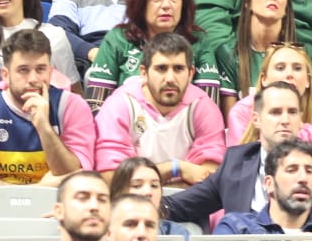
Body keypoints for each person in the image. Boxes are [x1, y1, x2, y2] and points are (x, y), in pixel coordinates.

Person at [0, 29, 95, 189]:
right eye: (23, 70)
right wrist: (36, 191)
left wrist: (44, 128)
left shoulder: (72, 106)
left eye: (40, 69)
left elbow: (78, 179)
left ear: (50, 72)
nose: (33, 79)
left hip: (56, 207)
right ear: (6, 75)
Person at [83, 0, 223, 112]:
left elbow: (209, 107)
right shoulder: (118, 39)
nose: (166, 5)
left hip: (184, 129)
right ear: (140, 2)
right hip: (125, 129)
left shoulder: (198, 40)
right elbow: (96, 106)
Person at [92, 32, 224, 183]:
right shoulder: (120, 105)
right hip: (130, 202)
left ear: (191, 73)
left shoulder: (203, 106)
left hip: (188, 202)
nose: (170, 79)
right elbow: (111, 177)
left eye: (178, 69)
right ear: (144, 72)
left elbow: (210, 174)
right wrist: (175, 167)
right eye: (161, 68)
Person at [224, 40, 312, 152]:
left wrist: (306, 134)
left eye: (297, 68)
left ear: (308, 80)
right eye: (280, 68)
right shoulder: (242, 111)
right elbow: (237, 167)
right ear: (264, 79)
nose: (289, 74)